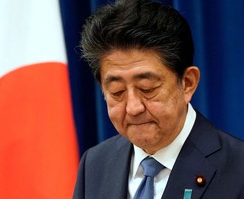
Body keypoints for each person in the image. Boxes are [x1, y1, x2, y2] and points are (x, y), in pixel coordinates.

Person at [73, 0, 244, 198]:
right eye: (117, 91)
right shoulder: (94, 164)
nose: (133, 108)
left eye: (147, 88)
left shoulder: (238, 169)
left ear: (188, 83)